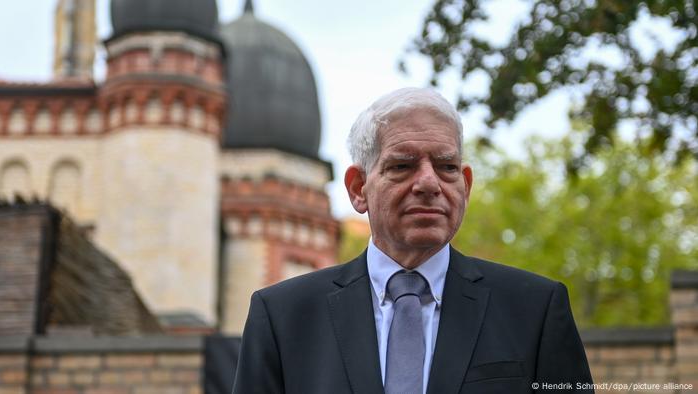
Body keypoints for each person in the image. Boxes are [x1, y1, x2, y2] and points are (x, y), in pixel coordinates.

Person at [232, 87, 594, 394]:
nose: (428, 183)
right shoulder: (283, 317)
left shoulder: (535, 310)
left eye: (446, 166)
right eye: (403, 166)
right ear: (359, 189)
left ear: (465, 186)